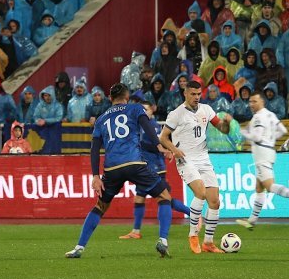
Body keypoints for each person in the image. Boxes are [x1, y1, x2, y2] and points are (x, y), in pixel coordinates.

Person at [65, 83, 176, 259]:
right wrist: (159, 146)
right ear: (127, 97)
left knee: (100, 206)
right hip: (134, 163)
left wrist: (95, 176)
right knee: (164, 197)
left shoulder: (101, 118)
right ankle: (163, 240)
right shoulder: (134, 108)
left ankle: (79, 247)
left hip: (112, 168)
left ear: (110, 98)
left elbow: (94, 149)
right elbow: (147, 127)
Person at [159, 80, 232, 254]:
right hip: (185, 158)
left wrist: (227, 123)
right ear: (185, 93)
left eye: (199, 94)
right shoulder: (176, 114)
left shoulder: (206, 110)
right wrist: (174, 150)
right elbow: (163, 138)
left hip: (203, 158)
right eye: (193, 94)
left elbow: (222, 128)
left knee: (214, 201)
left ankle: (208, 242)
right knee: (200, 192)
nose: (196, 97)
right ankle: (193, 235)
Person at [118, 101, 191, 240]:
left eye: (146, 109)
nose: (144, 112)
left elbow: (155, 145)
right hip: (145, 168)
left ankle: (193, 215)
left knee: (164, 199)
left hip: (155, 168)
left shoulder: (153, 126)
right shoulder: (141, 125)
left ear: (152, 111)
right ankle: (136, 231)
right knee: (139, 198)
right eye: (142, 109)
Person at [236, 91, 289, 228]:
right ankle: (252, 221)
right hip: (268, 152)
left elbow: (256, 137)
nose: (251, 104)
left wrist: (242, 131)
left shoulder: (257, 117)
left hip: (261, 154)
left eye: (254, 101)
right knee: (259, 187)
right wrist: (270, 139)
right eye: (250, 102)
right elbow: (282, 130)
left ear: (262, 101)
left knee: (269, 186)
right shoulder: (269, 114)